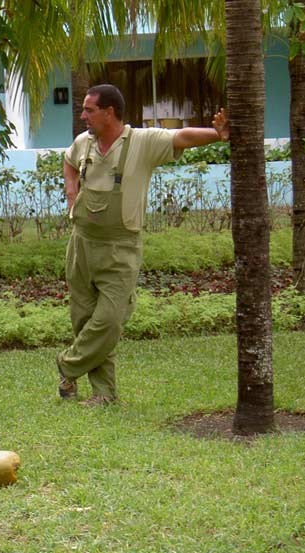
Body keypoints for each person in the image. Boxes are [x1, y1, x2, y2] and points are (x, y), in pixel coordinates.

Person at [58, 84, 230, 405]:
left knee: (109, 319)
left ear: (109, 112)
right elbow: (69, 162)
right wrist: (72, 193)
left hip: (120, 247)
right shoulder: (84, 143)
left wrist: (216, 134)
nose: (83, 116)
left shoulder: (142, 142)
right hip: (81, 243)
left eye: (89, 110)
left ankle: (68, 365)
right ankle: (103, 394)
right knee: (83, 318)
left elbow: (182, 137)